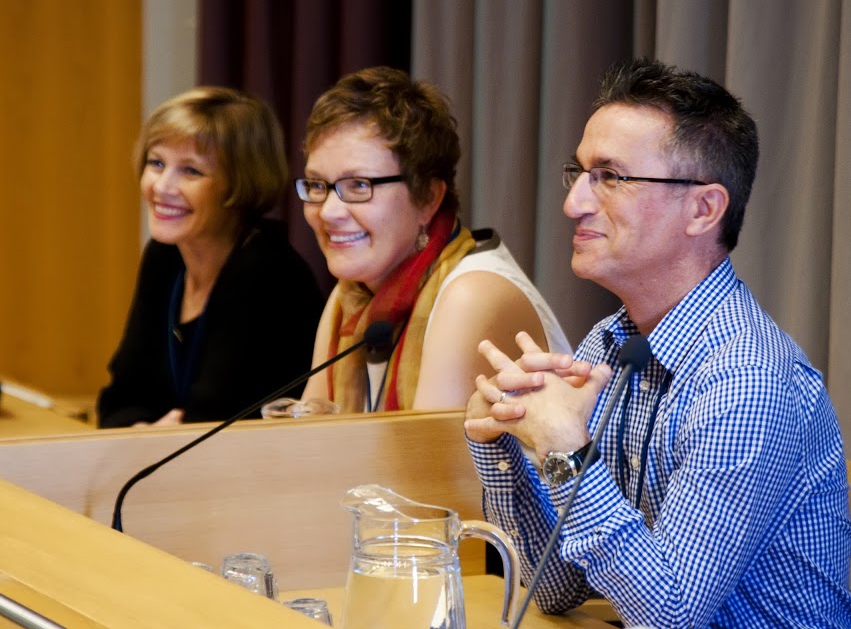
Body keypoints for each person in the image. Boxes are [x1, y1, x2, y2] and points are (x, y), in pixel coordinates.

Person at [464, 58, 851, 627]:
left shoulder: (747, 378)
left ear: (703, 209)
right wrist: (498, 443)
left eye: (610, 176)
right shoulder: (611, 344)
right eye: (578, 173)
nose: (574, 203)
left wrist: (563, 448)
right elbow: (557, 587)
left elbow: (670, 614)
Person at [298, 66, 570, 413]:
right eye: (317, 186)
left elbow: (420, 463)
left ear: (428, 197)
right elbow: (308, 442)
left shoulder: (471, 295)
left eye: (358, 186)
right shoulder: (348, 295)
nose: (328, 211)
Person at [97, 87, 323, 428]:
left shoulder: (269, 275)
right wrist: (139, 433)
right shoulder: (165, 257)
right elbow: (120, 397)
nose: (162, 186)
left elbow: (218, 425)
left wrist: (150, 440)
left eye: (191, 172)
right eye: (156, 163)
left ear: (239, 185)